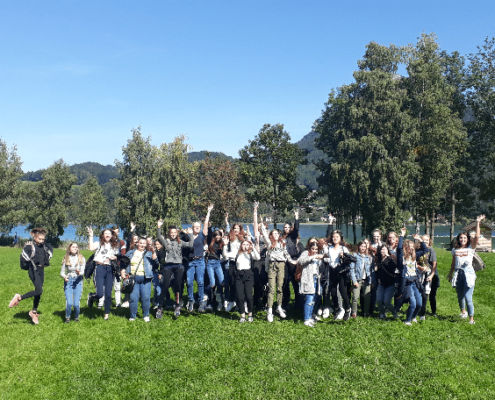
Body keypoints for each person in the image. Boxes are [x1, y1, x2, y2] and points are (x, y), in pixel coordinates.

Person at [9, 228, 53, 325]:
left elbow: (50, 253)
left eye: (43, 239)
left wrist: (46, 247)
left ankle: (33, 312)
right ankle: (19, 297)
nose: (42, 241)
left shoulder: (45, 246)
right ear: (35, 238)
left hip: (41, 270)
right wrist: (26, 247)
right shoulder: (30, 246)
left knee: (39, 292)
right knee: (39, 290)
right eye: (40, 239)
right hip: (33, 270)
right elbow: (24, 257)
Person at [448, 215, 485, 325]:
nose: (463, 239)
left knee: (468, 297)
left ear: (468, 239)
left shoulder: (470, 248)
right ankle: (463, 312)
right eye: (461, 238)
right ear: (458, 239)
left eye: (465, 238)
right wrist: (450, 274)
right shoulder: (455, 249)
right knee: (459, 296)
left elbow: (477, 236)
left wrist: (478, 222)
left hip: (468, 274)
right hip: (458, 273)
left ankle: (471, 319)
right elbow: (453, 263)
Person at [156, 222, 193, 318]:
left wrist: (191, 234)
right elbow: (159, 237)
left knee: (178, 286)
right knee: (165, 285)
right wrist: (159, 227)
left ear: (177, 233)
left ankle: (177, 305)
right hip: (168, 266)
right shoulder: (166, 241)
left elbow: (190, 244)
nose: (173, 234)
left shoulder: (180, 242)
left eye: (174, 233)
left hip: (178, 266)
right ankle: (160, 308)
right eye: (171, 233)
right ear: (169, 233)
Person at [260, 224, 294, 322]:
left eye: (276, 233)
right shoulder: (269, 242)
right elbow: (265, 235)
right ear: (271, 235)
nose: (275, 234)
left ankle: (279, 307)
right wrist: (262, 226)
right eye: (273, 233)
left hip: (281, 265)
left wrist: (291, 261)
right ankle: (269, 311)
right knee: (271, 289)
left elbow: (285, 253)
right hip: (272, 266)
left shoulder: (282, 243)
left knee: (280, 288)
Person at [395, 227, 428, 326]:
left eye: (412, 246)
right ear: (405, 247)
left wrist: (420, 240)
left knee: (419, 304)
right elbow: (399, 248)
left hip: (415, 282)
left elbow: (425, 249)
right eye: (409, 247)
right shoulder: (402, 258)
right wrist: (402, 235)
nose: (411, 248)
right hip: (407, 283)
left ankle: (413, 317)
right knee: (413, 303)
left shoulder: (415, 256)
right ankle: (407, 320)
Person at [87, 227, 120, 320]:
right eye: (106, 233)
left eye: (109, 233)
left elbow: (117, 257)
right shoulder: (99, 244)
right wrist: (91, 236)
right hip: (100, 268)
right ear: (103, 235)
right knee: (100, 293)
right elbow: (90, 248)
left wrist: (115, 258)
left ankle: (106, 314)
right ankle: (92, 296)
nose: (108, 235)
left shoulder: (115, 245)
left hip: (110, 269)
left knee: (108, 294)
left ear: (112, 235)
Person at [184, 205, 213, 312]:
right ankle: (191, 300)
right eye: (195, 226)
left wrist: (208, 211)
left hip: (200, 260)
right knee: (189, 281)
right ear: (192, 228)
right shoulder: (188, 237)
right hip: (191, 262)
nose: (196, 228)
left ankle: (201, 302)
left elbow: (206, 224)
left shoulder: (202, 236)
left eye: (198, 227)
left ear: (200, 228)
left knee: (200, 281)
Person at [122, 237, 158, 321]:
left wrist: (153, 253)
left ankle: (146, 315)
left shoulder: (149, 253)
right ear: (137, 243)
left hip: (146, 279)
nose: (142, 245)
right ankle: (132, 316)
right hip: (133, 279)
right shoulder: (130, 253)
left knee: (145, 297)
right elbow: (124, 264)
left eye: (144, 243)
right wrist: (123, 273)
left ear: (146, 244)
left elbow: (156, 263)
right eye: (140, 243)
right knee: (133, 298)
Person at [323, 230, 351, 321]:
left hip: (340, 271)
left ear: (340, 239)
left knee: (343, 292)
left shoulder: (343, 248)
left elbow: (349, 260)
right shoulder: (329, 247)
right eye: (333, 237)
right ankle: (337, 309)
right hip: (332, 271)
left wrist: (343, 256)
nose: (335, 238)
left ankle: (347, 309)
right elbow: (326, 258)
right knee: (333, 292)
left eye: (337, 237)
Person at [232, 239, 260, 322]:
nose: (245, 246)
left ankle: (250, 314)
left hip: (248, 275)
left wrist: (253, 248)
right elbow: (226, 254)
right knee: (240, 297)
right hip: (239, 275)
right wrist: (226, 246)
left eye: (247, 244)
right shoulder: (237, 253)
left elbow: (258, 257)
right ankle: (242, 316)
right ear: (241, 245)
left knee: (249, 296)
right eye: (243, 244)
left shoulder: (251, 254)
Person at [298, 238, 324, 327]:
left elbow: (322, 268)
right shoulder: (306, 253)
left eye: (316, 249)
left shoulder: (318, 255)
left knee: (315, 298)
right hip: (308, 279)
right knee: (309, 299)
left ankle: (311, 315)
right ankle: (306, 319)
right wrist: (313, 257)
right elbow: (301, 261)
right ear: (309, 248)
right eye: (313, 249)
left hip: (316, 279)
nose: (314, 251)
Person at [61, 243, 86, 323]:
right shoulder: (66, 258)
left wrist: (79, 273)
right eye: (73, 247)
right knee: (69, 303)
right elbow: (62, 272)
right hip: (69, 281)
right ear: (69, 248)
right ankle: (67, 318)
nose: (75, 248)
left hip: (78, 281)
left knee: (76, 304)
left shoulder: (82, 258)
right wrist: (65, 277)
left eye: (76, 247)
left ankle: (76, 317)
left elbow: (83, 272)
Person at [282, 210, 301, 311]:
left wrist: (296, 217)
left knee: (295, 282)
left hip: (293, 261)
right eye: (285, 227)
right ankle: (285, 303)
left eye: (288, 227)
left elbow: (297, 228)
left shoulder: (293, 236)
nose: (286, 229)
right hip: (284, 262)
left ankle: (298, 303)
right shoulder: (282, 237)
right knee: (285, 282)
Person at [350, 241, 373, 317]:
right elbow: (352, 269)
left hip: (367, 280)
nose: (363, 248)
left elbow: (371, 270)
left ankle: (366, 312)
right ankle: (354, 312)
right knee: (355, 297)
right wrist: (354, 281)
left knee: (367, 297)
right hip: (357, 280)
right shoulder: (355, 256)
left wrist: (371, 280)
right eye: (361, 246)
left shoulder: (369, 257)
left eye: (364, 246)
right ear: (358, 247)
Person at [418, 235, 438, 320]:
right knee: (423, 294)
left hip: (432, 274)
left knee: (432, 295)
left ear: (429, 241)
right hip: (421, 273)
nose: (425, 242)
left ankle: (433, 311)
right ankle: (422, 312)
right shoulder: (418, 250)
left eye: (426, 240)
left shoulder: (431, 250)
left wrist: (432, 275)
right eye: (423, 240)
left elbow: (434, 264)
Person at [375, 246, 399, 319]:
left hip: (390, 283)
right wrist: (378, 278)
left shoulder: (392, 259)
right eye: (381, 249)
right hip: (381, 283)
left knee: (386, 302)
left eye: (384, 249)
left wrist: (388, 256)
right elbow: (378, 271)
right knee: (379, 300)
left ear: (388, 250)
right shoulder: (378, 259)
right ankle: (382, 314)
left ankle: (394, 313)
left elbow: (394, 268)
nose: (383, 251)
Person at [206, 229, 225, 311]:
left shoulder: (222, 244)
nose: (217, 237)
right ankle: (205, 295)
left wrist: (224, 240)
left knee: (222, 282)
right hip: (210, 263)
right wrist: (209, 224)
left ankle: (218, 295)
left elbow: (224, 253)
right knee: (212, 283)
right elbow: (208, 232)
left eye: (219, 235)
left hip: (218, 263)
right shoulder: (210, 242)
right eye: (216, 235)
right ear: (214, 236)